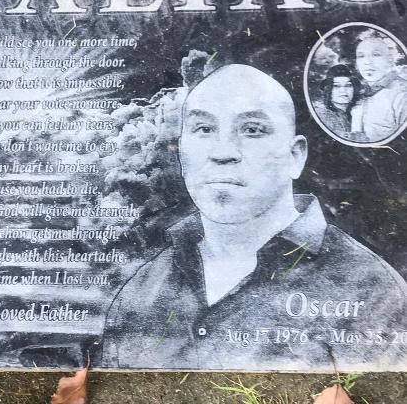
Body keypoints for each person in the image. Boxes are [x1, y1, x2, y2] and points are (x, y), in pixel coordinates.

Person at [101, 64, 407, 369]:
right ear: (182, 152)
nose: (222, 152)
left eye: (252, 130)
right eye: (204, 129)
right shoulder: (142, 288)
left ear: (295, 156)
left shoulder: (371, 288)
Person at [350, 30, 407, 142]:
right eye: (361, 56)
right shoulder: (362, 92)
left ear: (390, 60)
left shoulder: (402, 93)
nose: (367, 62)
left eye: (376, 54)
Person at [313, 64, 358, 139]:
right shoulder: (324, 116)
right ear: (329, 90)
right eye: (336, 86)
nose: (343, 91)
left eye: (348, 85)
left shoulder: (357, 112)